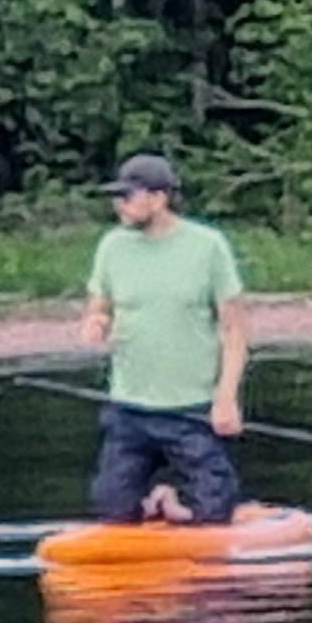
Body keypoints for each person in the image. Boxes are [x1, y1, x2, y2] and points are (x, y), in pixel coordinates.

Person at [74, 151, 251, 524]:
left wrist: (226, 398)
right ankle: (153, 503)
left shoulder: (208, 246)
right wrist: (96, 322)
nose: (118, 204)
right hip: (129, 409)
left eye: (128, 196)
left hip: (191, 409)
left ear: (159, 198)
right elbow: (99, 306)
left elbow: (234, 328)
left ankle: (174, 503)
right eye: (116, 196)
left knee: (215, 511)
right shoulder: (112, 247)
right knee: (111, 508)